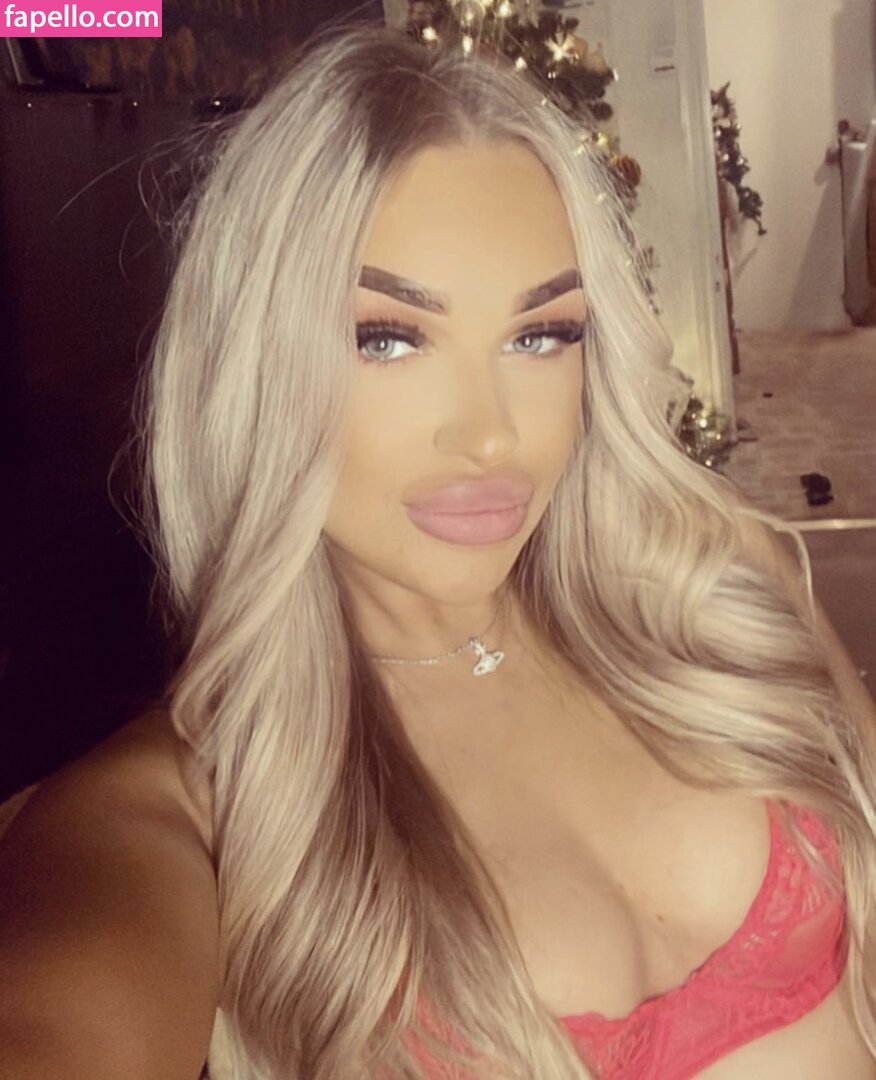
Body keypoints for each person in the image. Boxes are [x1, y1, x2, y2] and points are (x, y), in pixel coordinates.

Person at [2, 19, 876, 1080]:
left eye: (540, 334)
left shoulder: (727, 589)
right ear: (255, 366)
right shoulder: (183, 820)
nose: (492, 436)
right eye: (388, 338)